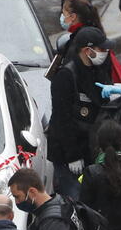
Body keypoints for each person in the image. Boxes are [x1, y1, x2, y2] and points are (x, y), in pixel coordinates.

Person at [47, 26, 114, 199]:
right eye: (101, 49)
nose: (106, 52)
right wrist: (72, 155)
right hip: (70, 150)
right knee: (75, 199)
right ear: (87, 51)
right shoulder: (66, 76)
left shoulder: (97, 69)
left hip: (90, 146)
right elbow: (62, 120)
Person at [53, 0, 121, 83]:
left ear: (73, 17)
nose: (62, 17)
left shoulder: (82, 40)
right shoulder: (92, 33)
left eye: (63, 14)